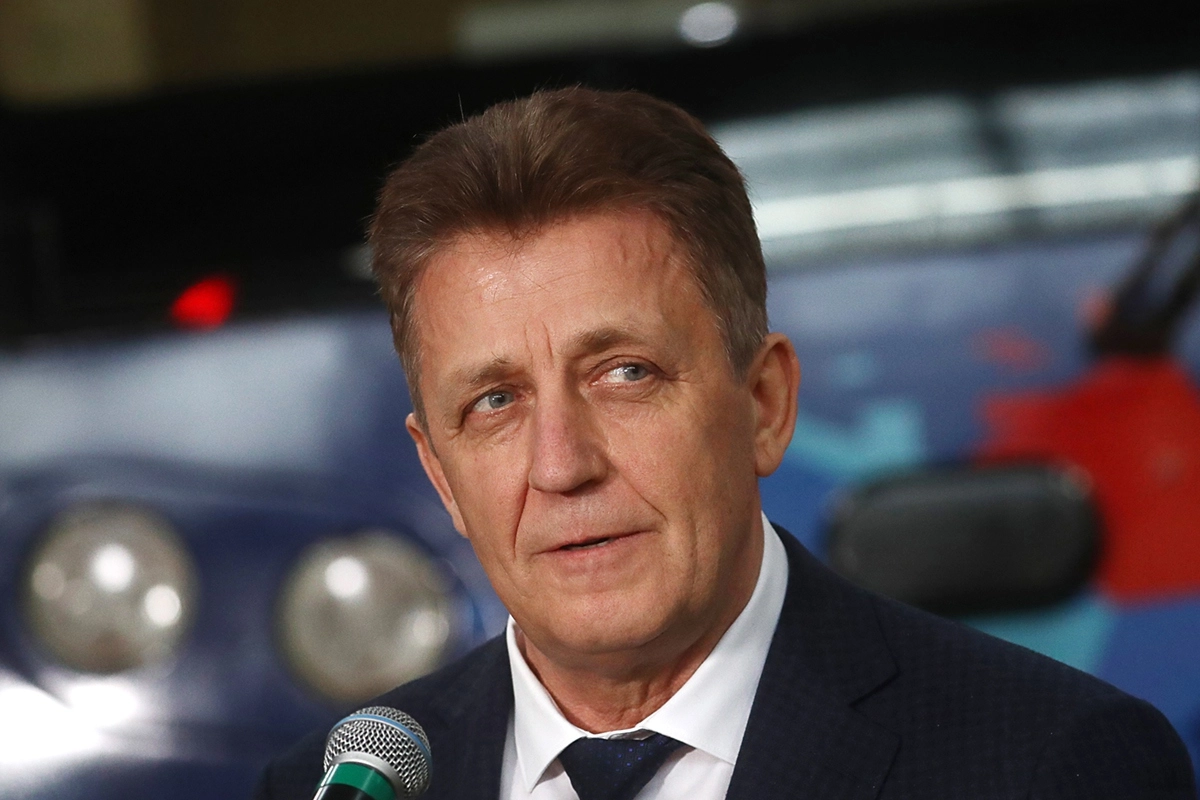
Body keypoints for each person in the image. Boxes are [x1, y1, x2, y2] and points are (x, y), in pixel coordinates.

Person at [254, 87, 1196, 800]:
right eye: (495, 402)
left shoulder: (1049, 765)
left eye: (625, 373)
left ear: (764, 404)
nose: (562, 465)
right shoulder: (332, 790)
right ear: (441, 474)